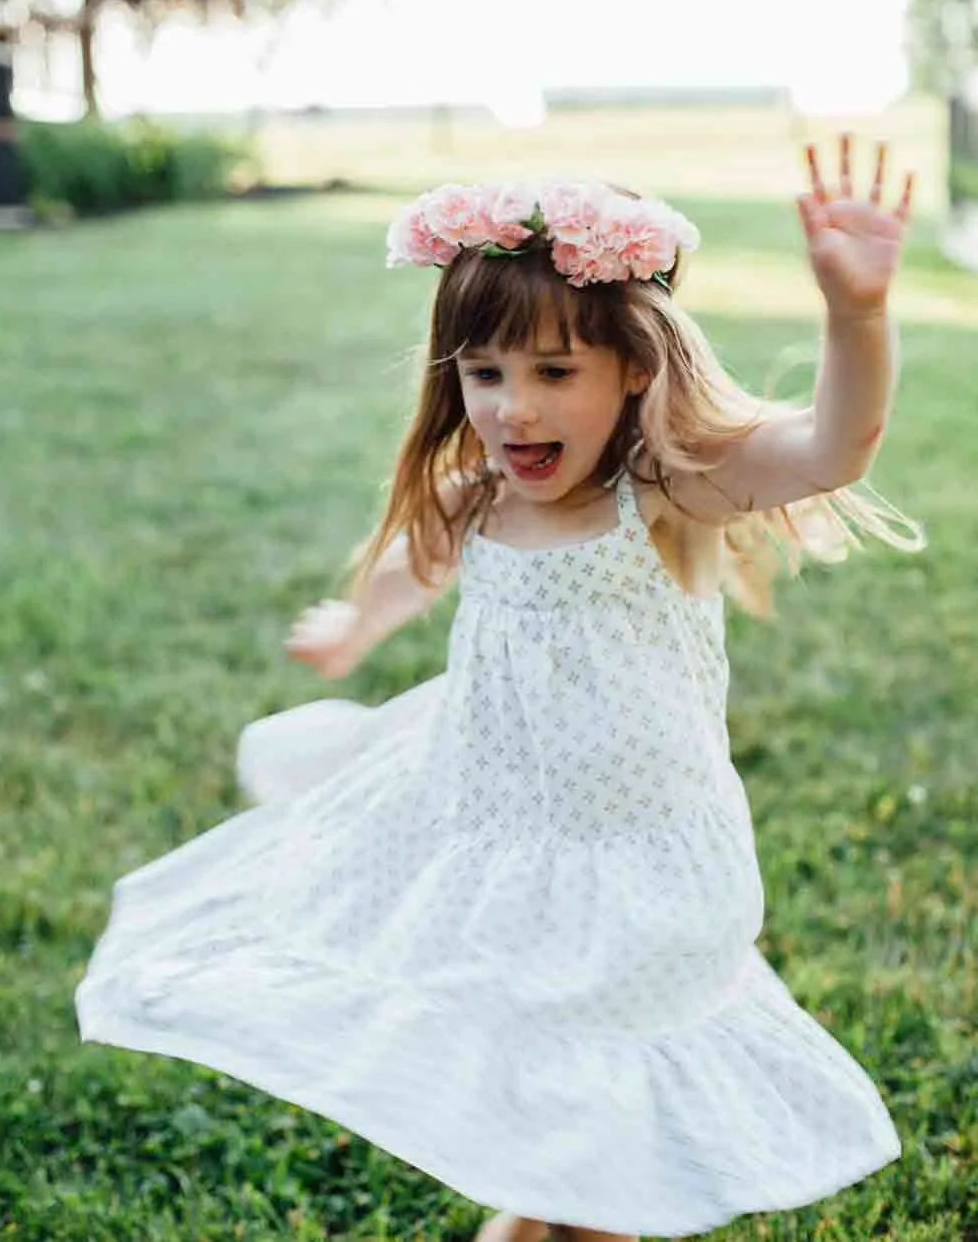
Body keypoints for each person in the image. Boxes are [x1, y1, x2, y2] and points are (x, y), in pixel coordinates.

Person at [76, 135, 921, 1242]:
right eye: (485, 374)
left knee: (603, 1122)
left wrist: (856, 314)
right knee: (541, 1090)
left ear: (633, 368)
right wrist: (358, 622)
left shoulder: (667, 493)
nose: (515, 408)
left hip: (634, 863)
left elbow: (834, 447)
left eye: (554, 373)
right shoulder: (481, 494)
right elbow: (417, 560)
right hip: (491, 827)